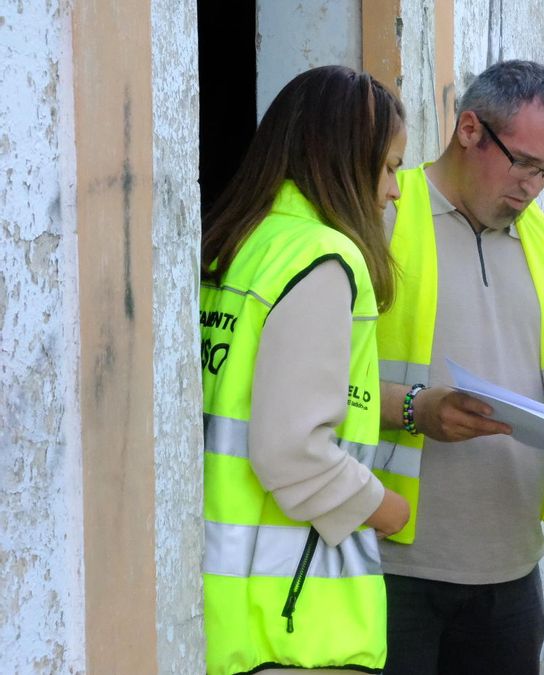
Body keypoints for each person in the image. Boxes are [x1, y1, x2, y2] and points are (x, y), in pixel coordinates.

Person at [371, 59, 544, 675]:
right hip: (389, 568)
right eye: (522, 163)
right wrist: (416, 409)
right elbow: (312, 388)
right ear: (469, 129)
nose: (532, 186)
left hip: (513, 572)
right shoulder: (385, 218)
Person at [199, 66, 411, 675]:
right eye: (392, 166)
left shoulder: (235, 245)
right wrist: (383, 507)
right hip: (293, 624)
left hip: (227, 607)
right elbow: (291, 450)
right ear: (345, 158)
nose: (395, 190)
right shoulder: (322, 258)